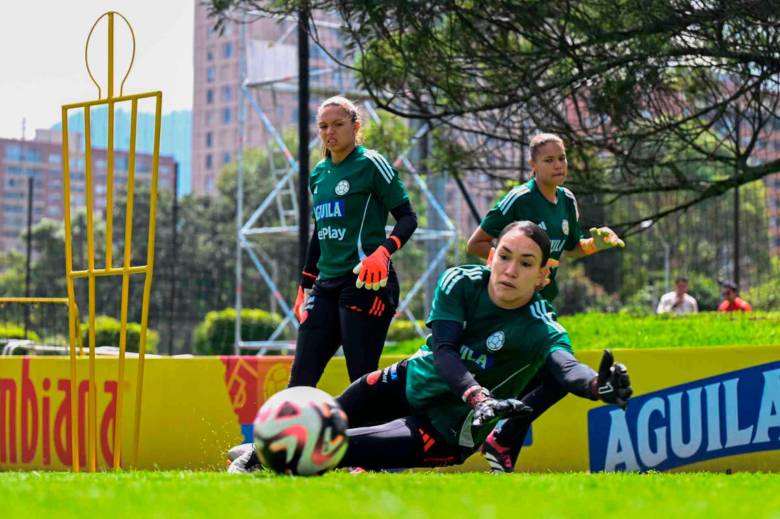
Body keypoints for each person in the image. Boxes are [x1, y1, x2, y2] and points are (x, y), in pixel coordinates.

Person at [228, 221, 632, 473]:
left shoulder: (541, 328)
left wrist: (598, 387)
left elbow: (565, 367)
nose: (510, 270)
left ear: (544, 276)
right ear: (491, 256)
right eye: (505, 257)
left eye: (526, 264)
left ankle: (268, 460)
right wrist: (478, 395)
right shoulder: (461, 282)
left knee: (334, 446)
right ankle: (260, 449)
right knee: (326, 412)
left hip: (444, 428)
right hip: (412, 380)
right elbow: (444, 352)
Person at [466, 133, 626, 472]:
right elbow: (477, 243)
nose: (558, 165)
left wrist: (597, 244)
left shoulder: (566, 200)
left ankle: (502, 448)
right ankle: (500, 440)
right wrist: (521, 268)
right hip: (516, 308)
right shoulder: (519, 199)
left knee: (545, 383)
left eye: (562, 158)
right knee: (556, 377)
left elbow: (571, 248)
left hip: (542, 307)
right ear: (533, 166)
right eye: (549, 160)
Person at [289, 96, 418, 387]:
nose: (329, 132)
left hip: (366, 283)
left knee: (361, 379)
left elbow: (408, 218)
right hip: (326, 285)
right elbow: (319, 233)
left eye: (337, 124)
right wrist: (305, 285)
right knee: (300, 379)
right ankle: (291, 434)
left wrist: (382, 253)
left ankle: (384, 431)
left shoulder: (371, 164)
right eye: (323, 126)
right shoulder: (319, 174)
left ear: (355, 126)